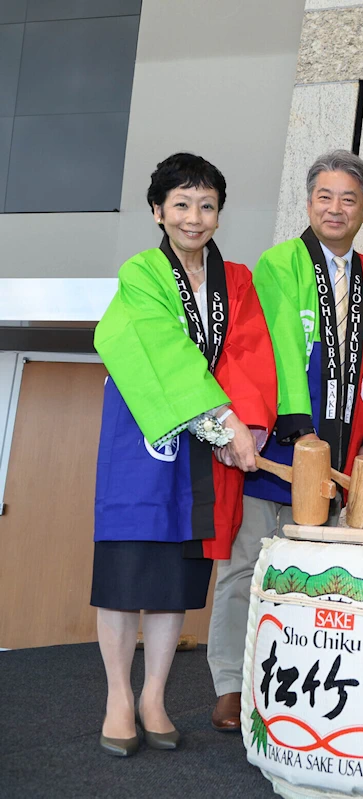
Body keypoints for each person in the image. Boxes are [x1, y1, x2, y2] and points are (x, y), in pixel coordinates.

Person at [92, 153, 277, 757]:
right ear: (157, 211)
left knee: (177, 572)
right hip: (145, 436)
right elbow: (162, 351)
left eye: (206, 205)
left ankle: (154, 696)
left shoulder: (239, 280)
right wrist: (225, 422)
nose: (194, 218)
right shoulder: (142, 273)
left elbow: (250, 353)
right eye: (181, 205)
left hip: (204, 452)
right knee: (126, 569)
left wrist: (247, 424)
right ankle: (119, 698)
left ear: (219, 214)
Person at [206, 150, 363, 732]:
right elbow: (273, 347)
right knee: (246, 568)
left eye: (348, 199)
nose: (335, 209)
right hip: (278, 452)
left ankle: (307, 682)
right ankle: (232, 683)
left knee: (325, 579)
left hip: (343, 452)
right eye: (324, 198)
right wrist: (296, 425)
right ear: (308, 203)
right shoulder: (278, 263)